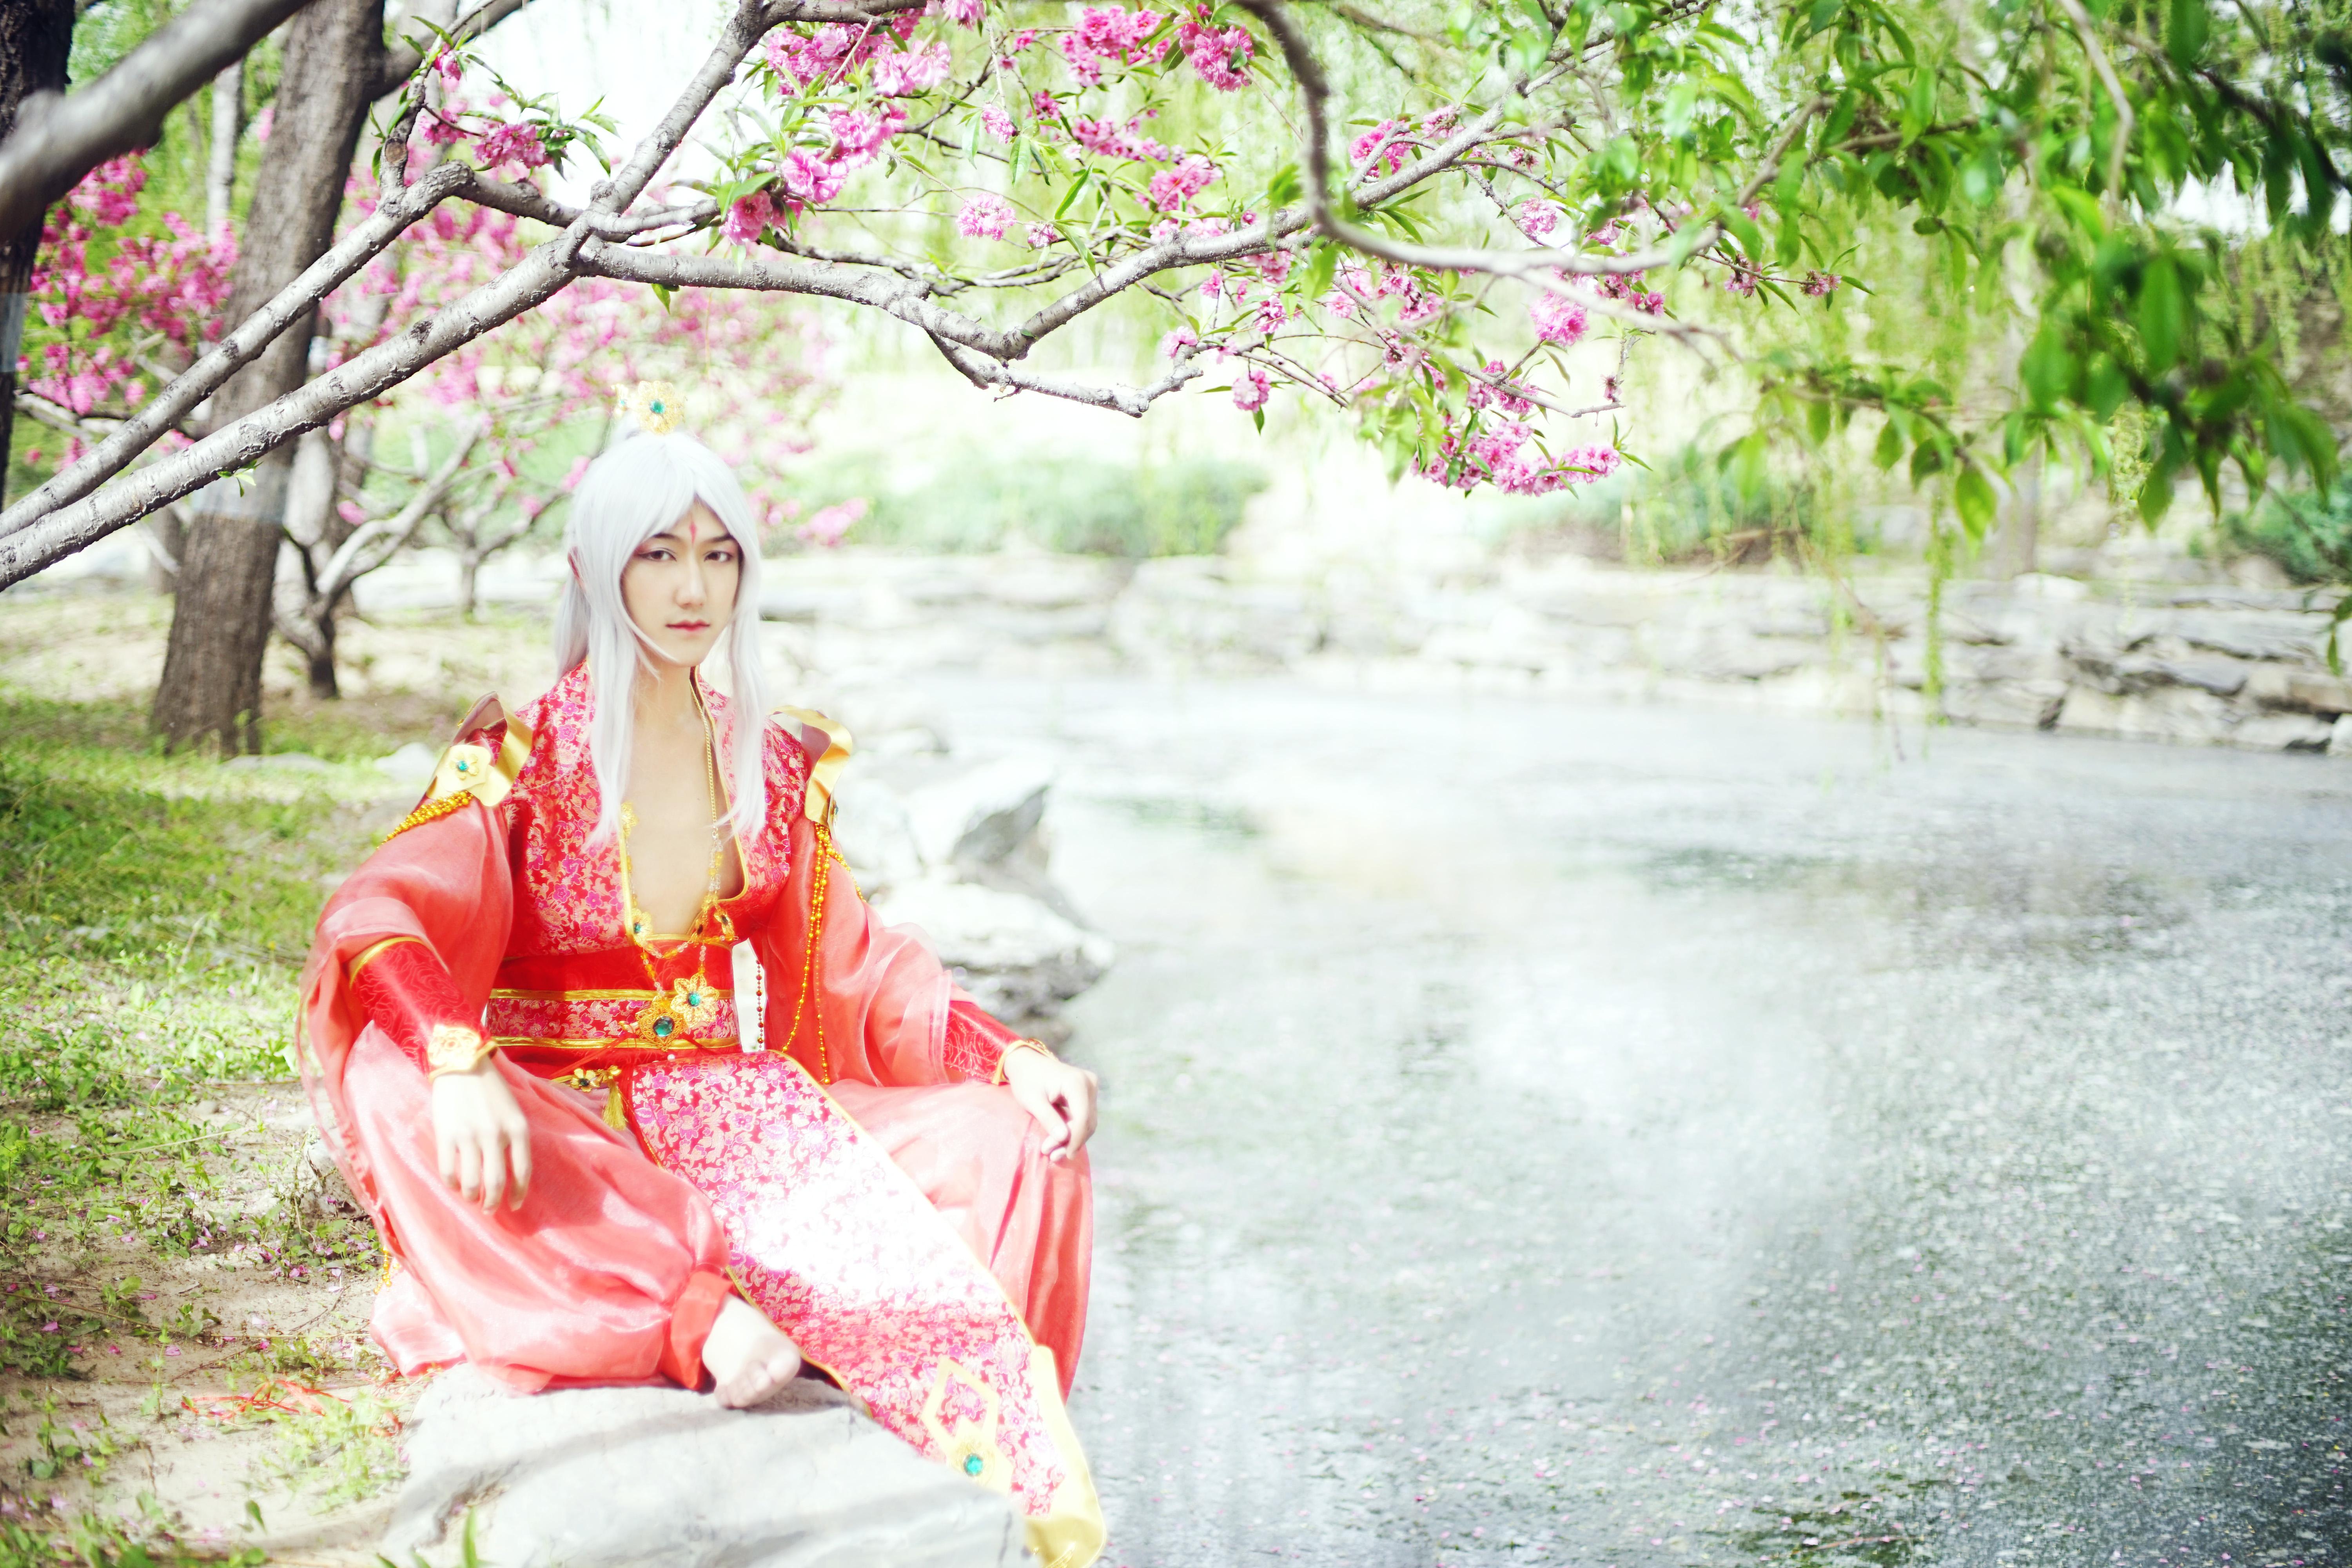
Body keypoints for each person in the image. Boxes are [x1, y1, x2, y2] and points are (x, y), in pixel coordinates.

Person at [297, 396, 1104, 1567]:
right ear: (593, 570)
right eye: (659, 555)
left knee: (1021, 1140)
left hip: (744, 1121)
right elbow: (377, 913)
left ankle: (951, 1457)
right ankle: (684, 1314)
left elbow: (868, 970)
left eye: (719, 557)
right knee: (392, 1073)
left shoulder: (766, 759)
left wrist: (1012, 1058)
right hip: (571, 1131)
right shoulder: (519, 754)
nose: (693, 588)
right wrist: (458, 1059)